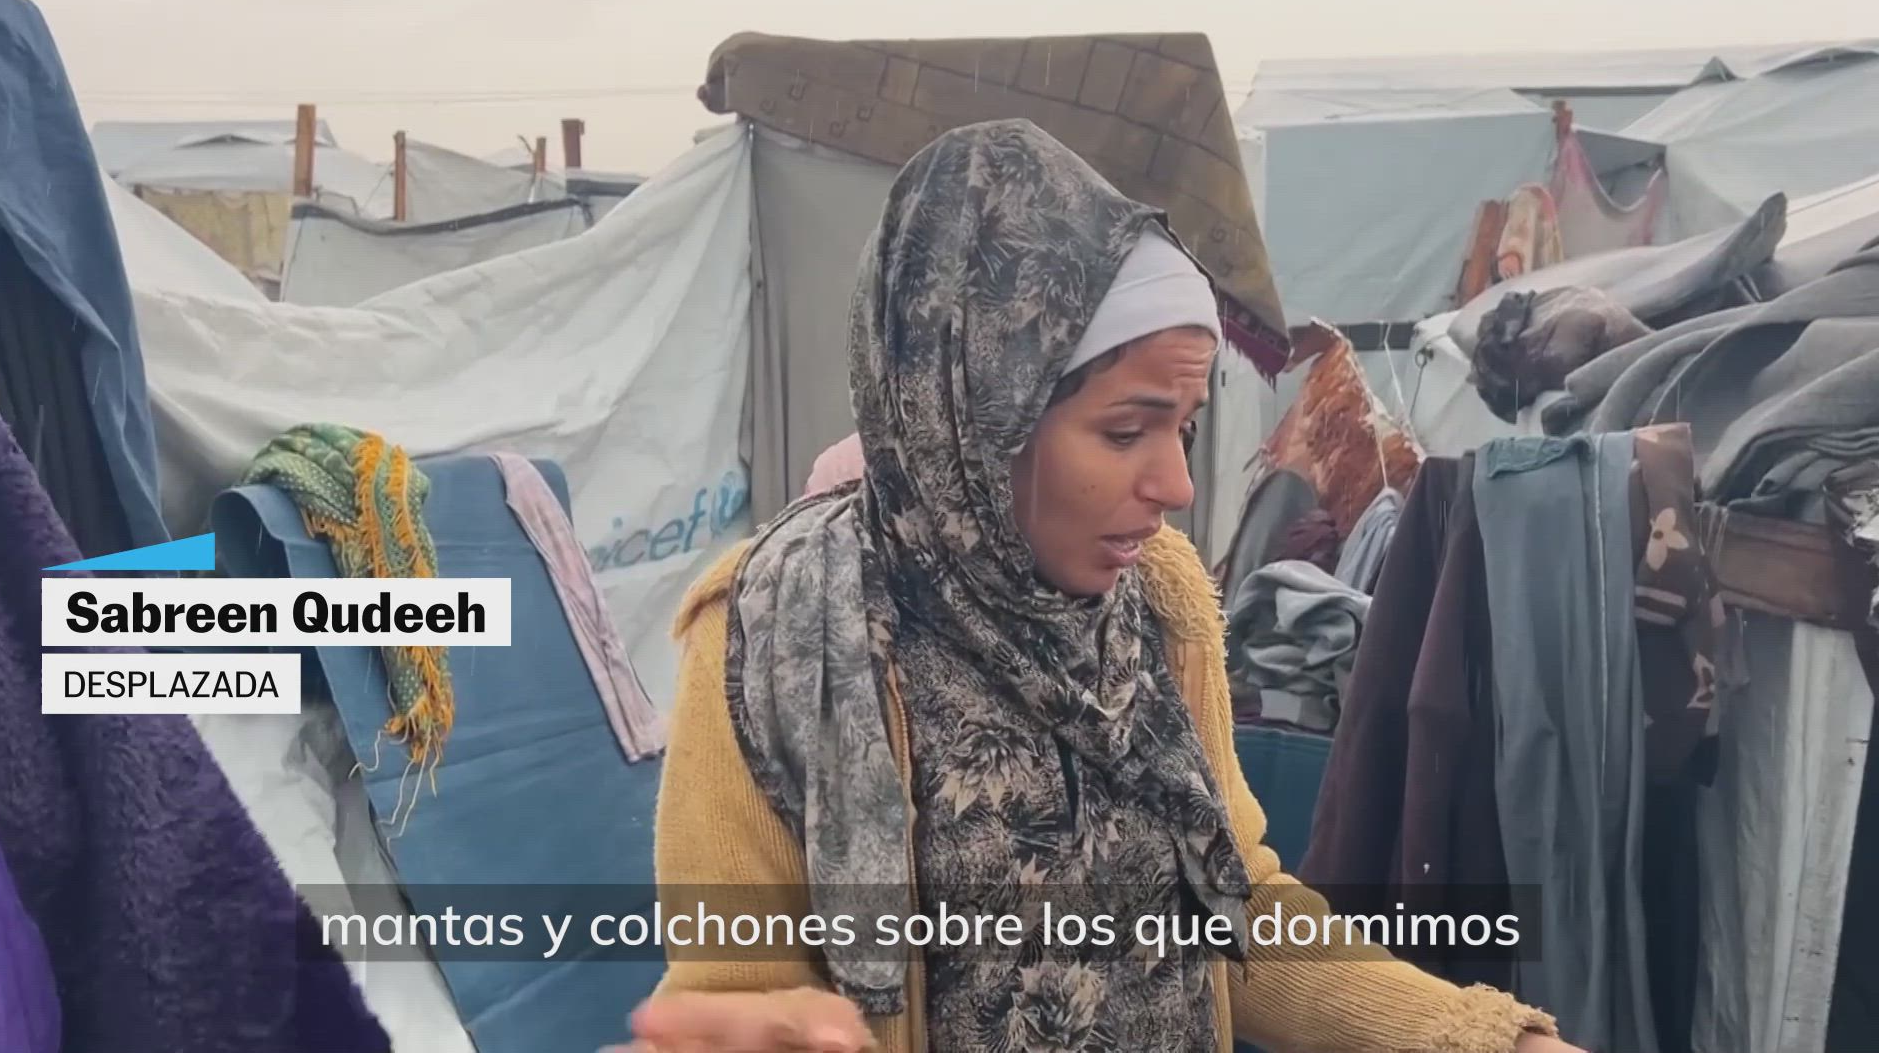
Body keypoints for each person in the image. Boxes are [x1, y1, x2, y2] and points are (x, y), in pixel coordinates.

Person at [624, 119, 1584, 1053]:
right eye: (1127, 431)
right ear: (979, 416)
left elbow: (1237, 908)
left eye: (1184, 427)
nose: (1176, 486)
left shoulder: (1157, 603)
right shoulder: (777, 637)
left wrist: (1484, 1040)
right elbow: (734, 1000)